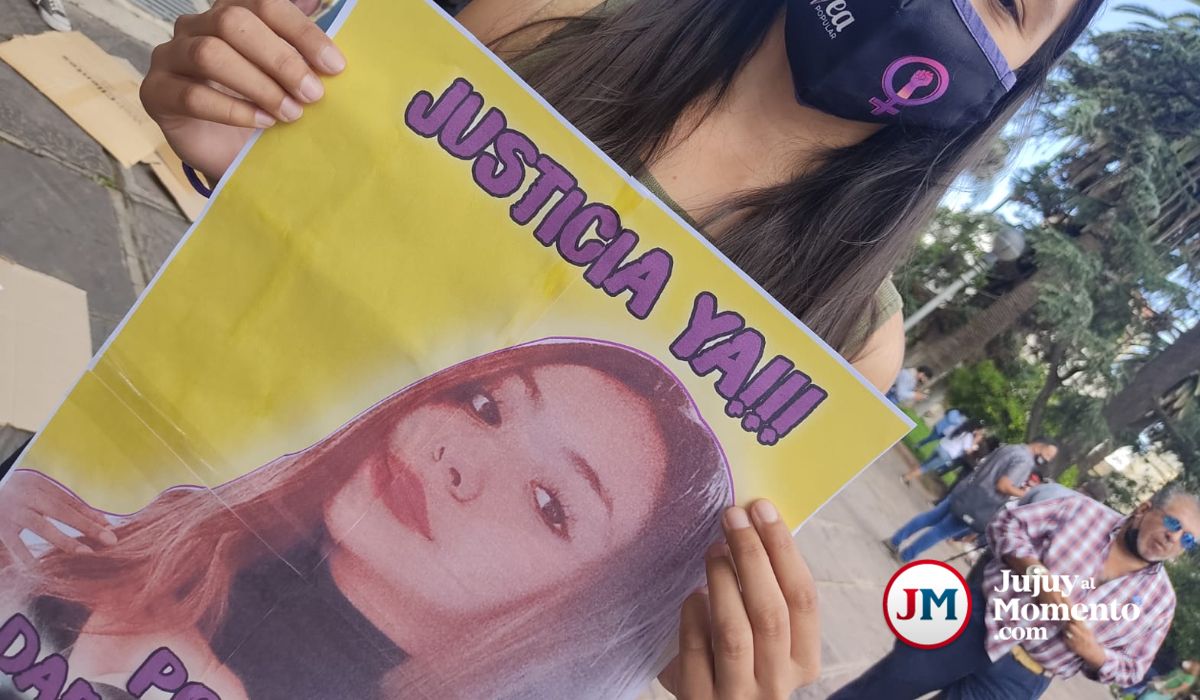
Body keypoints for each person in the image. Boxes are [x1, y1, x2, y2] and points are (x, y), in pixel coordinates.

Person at [135, 0, 1107, 692]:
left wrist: (712, 662)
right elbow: (296, 293)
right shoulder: (538, 19)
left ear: (1011, 86)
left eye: (1007, 0)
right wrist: (231, 127)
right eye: (486, 401)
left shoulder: (850, 346)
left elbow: (638, 613)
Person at [0, 339, 818, 699]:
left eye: (550, 504)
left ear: (588, 610)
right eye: (487, 404)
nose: (458, 458)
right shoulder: (175, 536)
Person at [836, 484, 1199, 699]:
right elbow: (1007, 524)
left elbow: (1134, 667)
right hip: (973, 625)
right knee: (880, 690)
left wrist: (1096, 654)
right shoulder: (1079, 511)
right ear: (1144, 509)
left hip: (1021, 678)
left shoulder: (1160, 603)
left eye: (1188, 540)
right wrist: (1035, 575)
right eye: (1172, 523)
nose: (1174, 538)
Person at [885, 438, 1058, 562]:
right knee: (942, 531)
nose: (1048, 459)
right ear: (1039, 446)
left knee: (931, 517)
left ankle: (895, 540)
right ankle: (906, 556)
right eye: (1048, 454)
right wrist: (1024, 494)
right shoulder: (1025, 461)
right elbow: (1003, 485)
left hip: (967, 489)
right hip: (980, 503)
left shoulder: (1010, 447)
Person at [902, 419, 985, 484]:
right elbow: (968, 451)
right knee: (926, 467)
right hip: (947, 454)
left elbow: (946, 432)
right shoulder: (968, 436)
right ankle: (906, 477)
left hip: (941, 446)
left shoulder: (959, 427)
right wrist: (975, 442)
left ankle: (908, 475)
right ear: (976, 429)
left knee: (925, 463)